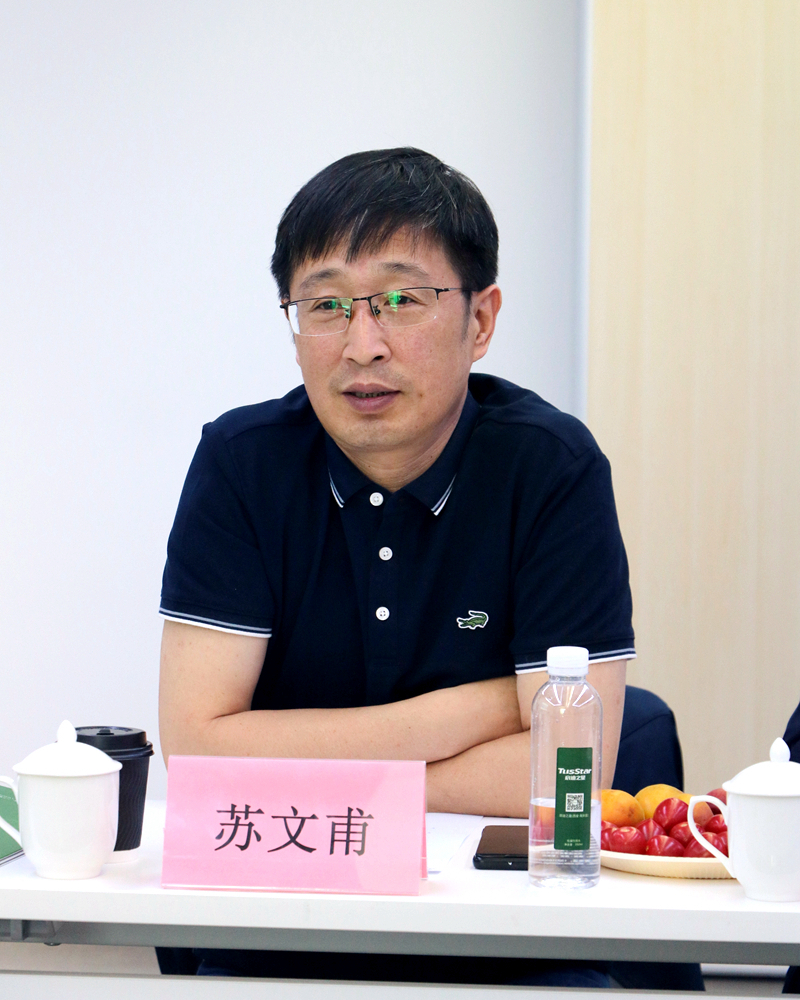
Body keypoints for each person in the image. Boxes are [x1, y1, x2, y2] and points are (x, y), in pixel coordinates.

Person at [158, 148, 635, 986]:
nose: (362, 346)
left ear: (480, 320)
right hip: (287, 922)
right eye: (327, 305)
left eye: (401, 301)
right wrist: (485, 708)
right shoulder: (242, 463)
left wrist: (314, 778)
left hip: (509, 933)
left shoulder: (551, 468)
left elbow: (571, 772)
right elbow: (199, 756)